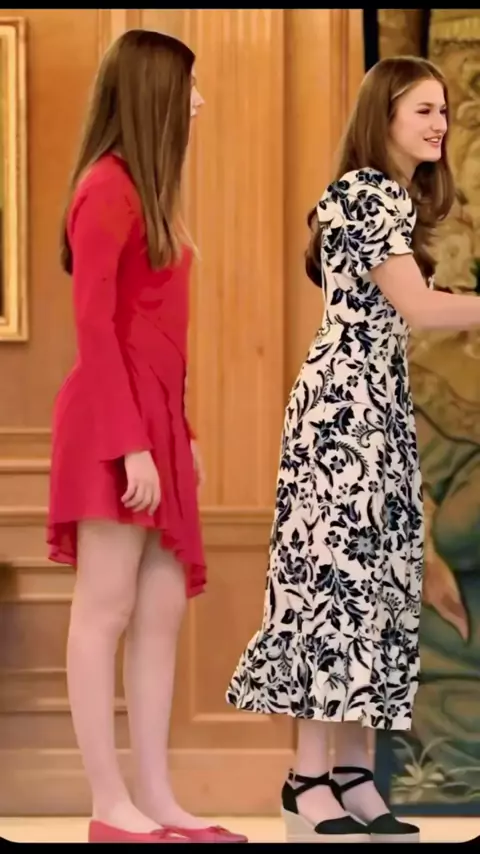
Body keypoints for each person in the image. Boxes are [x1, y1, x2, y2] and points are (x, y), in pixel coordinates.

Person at [226, 54, 480, 844]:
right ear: (384, 116)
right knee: (332, 588)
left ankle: (352, 774)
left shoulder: (386, 198)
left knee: (378, 587)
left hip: (376, 408)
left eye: (443, 109)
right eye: (422, 109)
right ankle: (308, 778)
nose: (439, 123)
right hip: (344, 414)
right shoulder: (364, 192)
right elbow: (419, 307)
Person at [48, 29, 246, 845]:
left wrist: (180, 432)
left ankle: (157, 798)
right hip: (111, 422)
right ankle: (109, 804)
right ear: (154, 93)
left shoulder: (146, 194)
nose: (199, 102)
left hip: (154, 424)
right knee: (106, 607)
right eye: (189, 87)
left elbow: (160, 333)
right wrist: (131, 443)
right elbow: (95, 329)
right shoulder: (105, 189)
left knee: (160, 612)